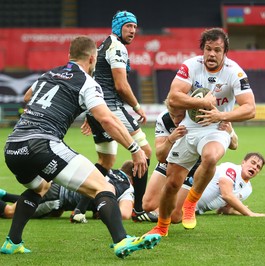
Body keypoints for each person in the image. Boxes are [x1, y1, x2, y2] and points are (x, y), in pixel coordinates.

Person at [0, 36, 160, 258]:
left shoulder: (49, 74)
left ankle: (12, 242)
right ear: (93, 58)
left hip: (13, 146)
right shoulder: (87, 82)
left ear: (69, 56)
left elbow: (28, 96)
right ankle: (122, 241)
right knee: (104, 188)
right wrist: (135, 149)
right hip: (42, 143)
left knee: (40, 188)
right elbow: (108, 119)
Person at [146, 27, 256, 237]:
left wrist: (221, 116)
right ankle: (161, 227)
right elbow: (174, 96)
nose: (212, 54)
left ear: (225, 53)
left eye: (217, 50)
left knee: (211, 157)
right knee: (172, 183)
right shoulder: (190, 66)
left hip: (216, 127)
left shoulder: (235, 72)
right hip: (190, 127)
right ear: (203, 49)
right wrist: (201, 102)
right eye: (208, 49)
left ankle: (191, 204)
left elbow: (250, 108)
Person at [81, 10, 152, 219]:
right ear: (117, 27)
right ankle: (139, 209)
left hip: (97, 109)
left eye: (135, 27)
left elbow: (93, 80)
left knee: (106, 161)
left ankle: (78, 210)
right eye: (128, 26)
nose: (132, 31)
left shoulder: (102, 46)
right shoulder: (117, 47)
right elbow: (121, 85)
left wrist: (89, 113)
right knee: (145, 152)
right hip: (111, 108)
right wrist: (137, 107)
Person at [139, 101, 238, 222]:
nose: (175, 120)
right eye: (172, 115)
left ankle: (187, 207)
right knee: (147, 205)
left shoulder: (203, 116)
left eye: (179, 116)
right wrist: (170, 139)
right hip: (170, 160)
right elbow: (160, 156)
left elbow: (234, 145)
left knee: (175, 217)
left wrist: (230, 132)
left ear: (188, 112)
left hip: (193, 166)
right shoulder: (164, 119)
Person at [0, 160, 137, 221]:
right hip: (56, 197)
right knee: (10, 212)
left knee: (52, 212)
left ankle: (4, 194)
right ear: (134, 178)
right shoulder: (127, 188)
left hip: (57, 185)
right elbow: (124, 214)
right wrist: (104, 211)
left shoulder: (107, 169)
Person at [171, 152, 265, 223]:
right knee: (162, 214)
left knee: (173, 218)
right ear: (243, 162)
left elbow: (222, 209)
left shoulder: (248, 189)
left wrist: (234, 211)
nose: (255, 167)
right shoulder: (231, 169)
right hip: (180, 199)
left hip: (193, 212)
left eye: (258, 167)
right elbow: (227, 195)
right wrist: (249, 213)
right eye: (253, 163)